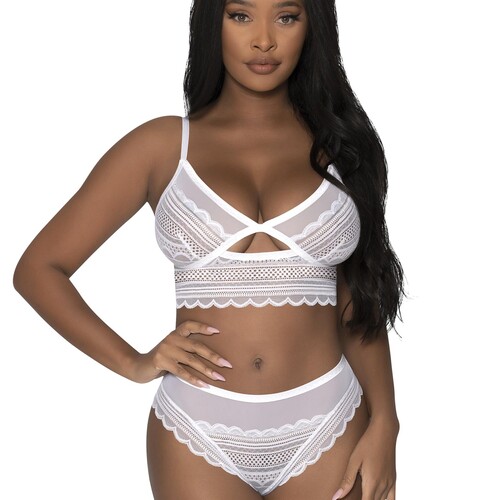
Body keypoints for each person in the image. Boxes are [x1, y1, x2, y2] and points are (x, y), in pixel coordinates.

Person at [13, 0, 404, 498]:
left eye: (286, 17)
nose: (264, 40)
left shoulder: (343, 148)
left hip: (331, 420)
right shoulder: (161, 146)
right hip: (196, 431)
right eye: (240, 15)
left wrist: (386, 422)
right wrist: (134, 362)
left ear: (314, 27)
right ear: (210, 22)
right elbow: (39, 269)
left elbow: (357, 299)